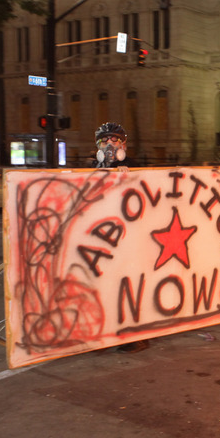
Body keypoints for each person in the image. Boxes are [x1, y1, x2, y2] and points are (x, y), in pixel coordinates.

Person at [92, 122, 148, 353]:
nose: (109, 144)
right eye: (105, 140)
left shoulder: (132, 166)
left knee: (127, 287)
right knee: (100, 287)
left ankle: (132, 336)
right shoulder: (93, 167)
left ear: (123, 144)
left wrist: (129, 176)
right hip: (101, 238)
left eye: (114, 140)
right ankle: (99, 334)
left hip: (127, 239)